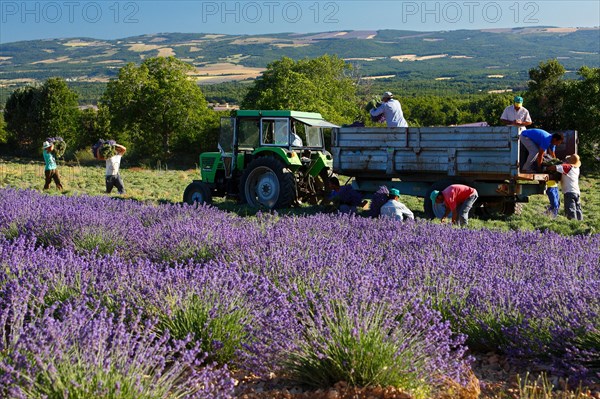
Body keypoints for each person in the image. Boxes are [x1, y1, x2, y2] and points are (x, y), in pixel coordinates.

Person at [546, 154, 583, 220]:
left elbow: (553, 167)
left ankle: (572, 223)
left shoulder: (567, 167)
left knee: (570, 209)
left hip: (569, 192)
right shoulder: (577, 168)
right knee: (578, 209)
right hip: (576, 191)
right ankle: (579, 222)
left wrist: (547, 168)